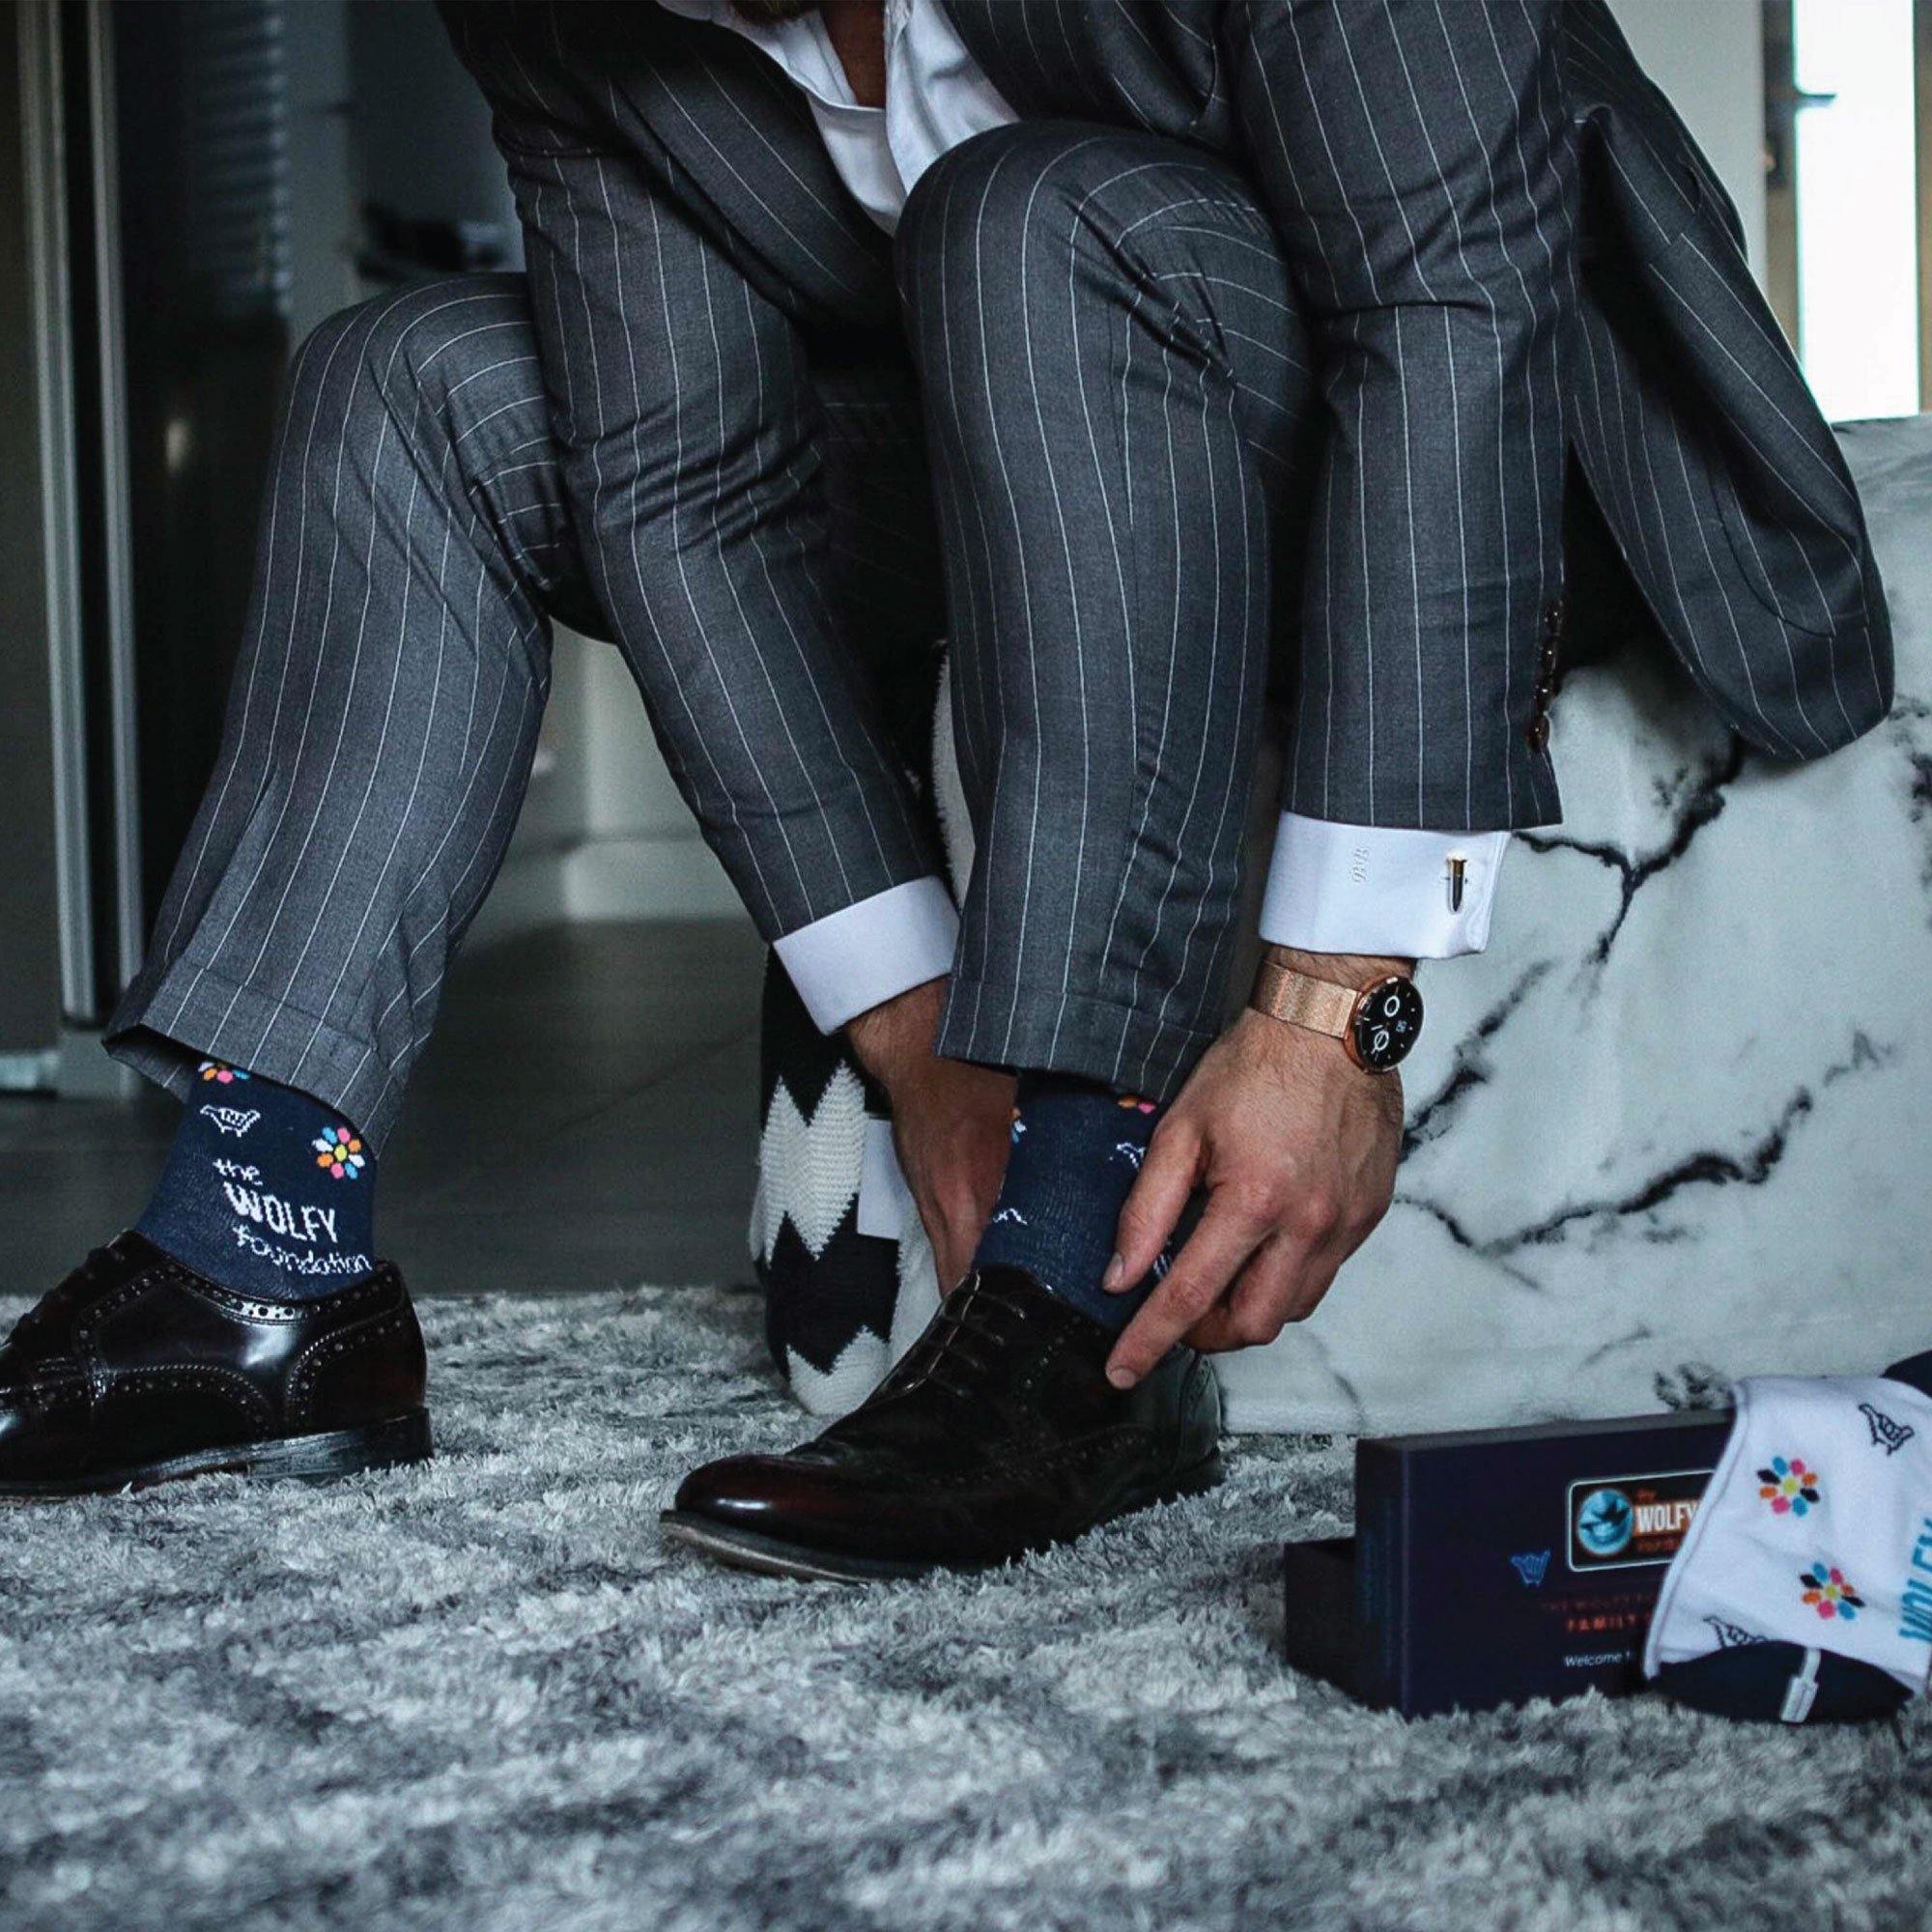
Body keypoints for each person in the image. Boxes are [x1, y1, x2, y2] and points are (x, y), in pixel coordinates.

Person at [0, 2, 1889, 1579]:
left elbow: (1453, 311)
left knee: (1025, 206)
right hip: (1016, 421)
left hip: (1493, 436)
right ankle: (261, 1254)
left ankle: (1079, 1303)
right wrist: (915, 1030)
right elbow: (682, 483)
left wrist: (1334, 1004)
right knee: (415, 380)